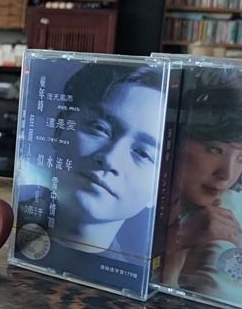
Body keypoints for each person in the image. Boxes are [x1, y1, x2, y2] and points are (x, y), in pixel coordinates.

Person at [15, 63, 165, 294]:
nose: (110, 159)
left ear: (158, 189)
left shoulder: (132, 280)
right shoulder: (7, 223)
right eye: (99, 128)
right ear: (60, 129)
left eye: (143, 154)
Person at [160, 67, 242, 300]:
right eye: (215, 149)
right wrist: (176, 243)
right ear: (174, 137)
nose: (227, 174)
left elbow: (220, 298)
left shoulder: (214, 212)